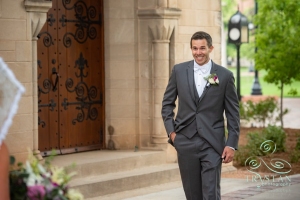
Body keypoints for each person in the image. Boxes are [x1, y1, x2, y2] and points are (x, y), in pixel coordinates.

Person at [161, 31, 240, 200]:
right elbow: (167, 104)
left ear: (210, 48)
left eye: (202, 48)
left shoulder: (224, 76)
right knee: (192, 195)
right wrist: (172, 134)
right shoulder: (179, 71)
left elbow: (233, 113)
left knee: (211, 194)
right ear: (191, 49)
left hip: (212, 143)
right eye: (195, 48)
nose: (198, 52)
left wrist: (231, 144)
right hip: (185, 141)